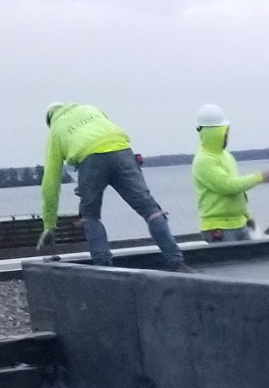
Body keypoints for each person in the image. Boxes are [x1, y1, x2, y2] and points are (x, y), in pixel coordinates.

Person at [36, 102, 187, 270]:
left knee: (90, 215)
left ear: (50, 120)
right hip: (122, 151)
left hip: (90, 160)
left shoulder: (56, 130)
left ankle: (104, 267)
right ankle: (176, 261)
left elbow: (51, 183)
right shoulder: (91, 109)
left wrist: (49, 225)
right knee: (150, 209)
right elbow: (106, 144)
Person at [191, 104, 269, 243]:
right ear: (217, 132)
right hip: (218, 228)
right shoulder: (203, 160)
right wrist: (259, 177)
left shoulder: (226, 156)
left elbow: (237, 192)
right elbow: (229, 186)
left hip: (239, 224)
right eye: (225, 131)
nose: (227, 135)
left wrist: (247, 216)